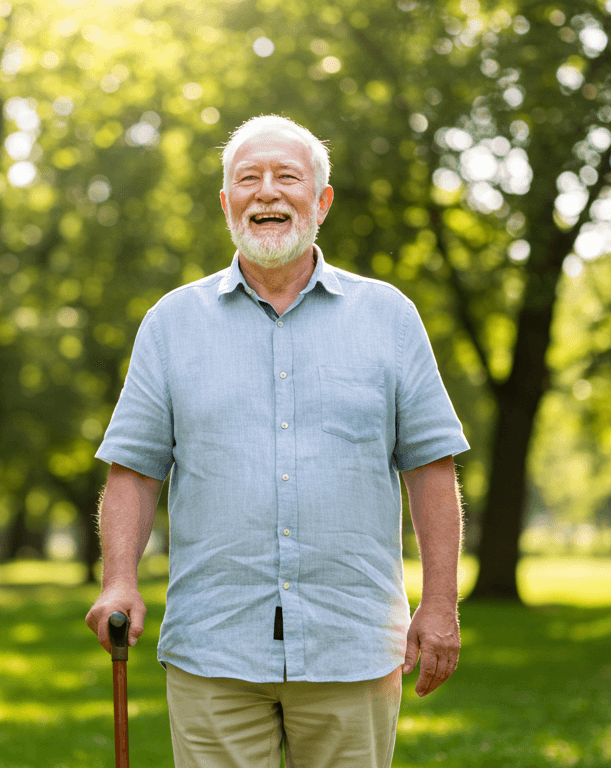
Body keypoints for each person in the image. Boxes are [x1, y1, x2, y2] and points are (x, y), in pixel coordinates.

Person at [84, 114, 470, 768]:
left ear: (320, 201)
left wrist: (439, 604)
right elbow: (134, 471)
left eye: (287, 177)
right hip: (214, 648)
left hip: (351, 646)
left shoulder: (390, 317)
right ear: (227, 202)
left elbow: (431, 469)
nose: (267, 192)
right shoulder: (171, 323)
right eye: (248, 179)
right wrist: (118, 578)